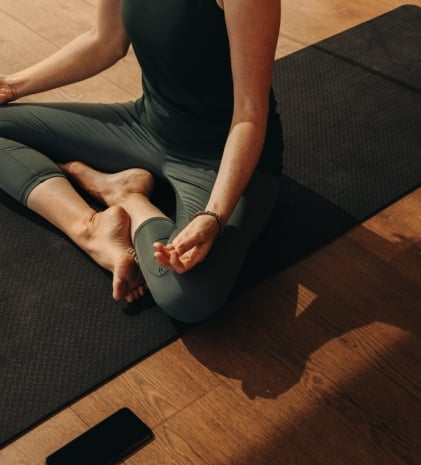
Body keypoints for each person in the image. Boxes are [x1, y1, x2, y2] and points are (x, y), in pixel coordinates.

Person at [0, 0, 283, 322]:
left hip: (222, 159)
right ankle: (90, 228)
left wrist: (214, 214)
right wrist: (10, 86)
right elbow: (104, 42)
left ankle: (125, 197)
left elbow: (250, 113)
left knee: (187, 297)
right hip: (147, 127)